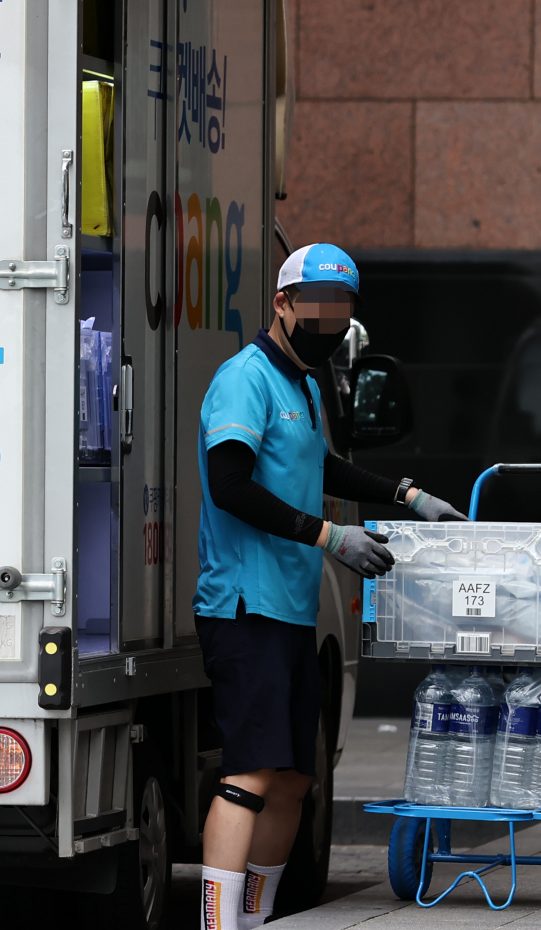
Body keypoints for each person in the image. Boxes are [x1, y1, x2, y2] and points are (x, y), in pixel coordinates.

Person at [195, 244, 466, 929]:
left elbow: (323, 467)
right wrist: (330, 537)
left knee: (294, 779)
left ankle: (254, 915)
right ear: (283, 303)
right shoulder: (244, 379)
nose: (328, 320)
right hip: (243, 603)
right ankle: (217, 922)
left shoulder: (307, 385)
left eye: (340, 310)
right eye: (316, 306)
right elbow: (230, 487)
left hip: (291, 605)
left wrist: (407, 493)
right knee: (251, 771)